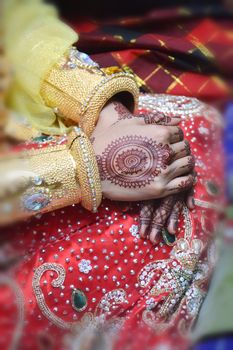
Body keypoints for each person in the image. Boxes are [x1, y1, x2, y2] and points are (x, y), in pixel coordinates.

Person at [0, 1, 224, 349]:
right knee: (131, 243)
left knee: (186, 133)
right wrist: (87, 169)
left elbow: (14, 20)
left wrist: (107, 112)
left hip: (26, 125)